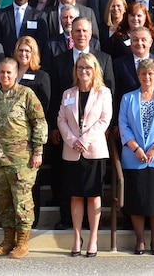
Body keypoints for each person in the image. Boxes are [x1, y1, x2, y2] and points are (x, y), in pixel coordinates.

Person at [0, 58, 47, 259]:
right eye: (2, 72)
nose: (5, 76)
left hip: (22, 159)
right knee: (3, 202)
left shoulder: (26, 94)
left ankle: (22, 242)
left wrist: (38, 151)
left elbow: (39, 122)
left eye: (9, 73)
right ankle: (7, 240)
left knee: (22, 201)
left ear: (15, 74)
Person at [118, 58, 154, 256]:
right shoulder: (128, 98)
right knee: (136, 200)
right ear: (138, 75)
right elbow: (123, 124)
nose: (147, 77)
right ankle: (140, 241)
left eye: (150, 73)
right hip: (134, 157)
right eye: (143, 73)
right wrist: (136, 149)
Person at [57, 52, 111, 257]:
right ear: (75, 70)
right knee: (76, 196)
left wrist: (84, 140)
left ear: (95, 70)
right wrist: (72, 140)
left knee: (94, 196)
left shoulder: (103, 93)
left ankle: (93, 238)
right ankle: (77, 238)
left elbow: (105, 120)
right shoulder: (68, 94)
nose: (84, 71)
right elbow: (61, 119)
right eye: (80, 68)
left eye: (87, 68)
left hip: (94, 152)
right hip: (72, 152)